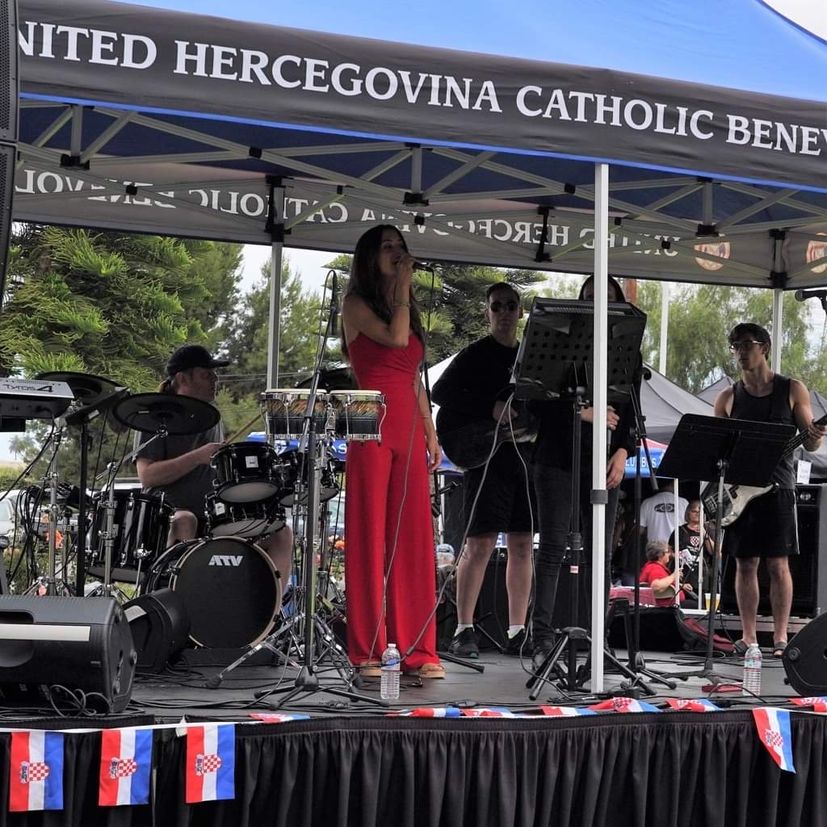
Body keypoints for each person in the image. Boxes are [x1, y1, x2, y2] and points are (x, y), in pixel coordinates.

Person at [340, 224, 445, 679]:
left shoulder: (404, 307)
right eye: (388, 247)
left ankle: (419, 649)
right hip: (370, 420)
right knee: (370, 535)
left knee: (414, 536)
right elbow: (397, 340)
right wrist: (403, 286)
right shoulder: (355, 303)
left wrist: (430, 430)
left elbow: (412, 372)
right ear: (369, 257)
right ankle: (368, 648)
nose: (398, 253)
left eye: (401, 247)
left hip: (406, 421)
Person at [530, 275, 637, 667]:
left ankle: (599, 639)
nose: (598, 304)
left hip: (603, 461)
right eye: (590, 297)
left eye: (606, 297)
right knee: (553, 547)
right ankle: (542, 640)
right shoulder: (557, 342)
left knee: (600, 555)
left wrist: (623, 451)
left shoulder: (626, 349)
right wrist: (581, 412)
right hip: (557, 457)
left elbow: (631, 409)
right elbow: (535, 399)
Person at [431, 282, 535, 659]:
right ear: (487, 312)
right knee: (480, 543)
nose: (504, 312)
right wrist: (488, 407)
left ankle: (517, 630)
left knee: (522, 543)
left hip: (526, 457)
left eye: (510, 305)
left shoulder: (531, 356)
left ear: (520, 311)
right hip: (487, 457)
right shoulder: (474, 355)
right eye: (497, 306)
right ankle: (463, 629)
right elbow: (440, 392)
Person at [134, 344, 293, 580]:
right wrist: (197, 457)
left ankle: (272, 605)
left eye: (214, 374)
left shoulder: (212, 416)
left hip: (215, 516)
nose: (215, 379)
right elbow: (147, 476)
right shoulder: (157, 414)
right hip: (166, 517)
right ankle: (176, 597)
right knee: (185, 520)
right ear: (183, 378)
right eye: (206, 374)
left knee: (282, 533)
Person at [714, 322, 825, 657]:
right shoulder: (728, 397)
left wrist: (815, 435)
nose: (740, 351)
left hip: (779, 487)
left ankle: (780, 638)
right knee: (745, 563)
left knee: (778, 564)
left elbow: (812, 444)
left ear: (764, 347)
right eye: (735, 345)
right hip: (742, 491)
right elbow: (717, 447)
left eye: (746, 344)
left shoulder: (792, 389)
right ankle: (748, 637)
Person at [668, 500, 714, 596]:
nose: (697, 514)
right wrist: (676, 555)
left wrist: (704, 534)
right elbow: (668, 551)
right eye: (694, 511)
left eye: (700, 512)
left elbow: (715, 552)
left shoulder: (709, 530)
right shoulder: (680, 530)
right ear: (688, 512)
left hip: (702, 574)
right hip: (683, 572)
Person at [639, 540, 696, 607]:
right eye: (667, 552)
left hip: (668, 604)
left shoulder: (652, 567)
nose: (669, 554)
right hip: (667, 606)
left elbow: (662, 581)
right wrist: (674, 576)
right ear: (660, 555)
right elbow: (656, 586)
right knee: (697, 605)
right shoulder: (655, 569)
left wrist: (680, 585)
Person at [639, 479, 688, 544]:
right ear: (673, 483)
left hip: (655, 546)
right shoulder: (683, 502)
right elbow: (689, 526)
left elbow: (640, 530)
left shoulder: (647, 503)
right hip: (677, 545)